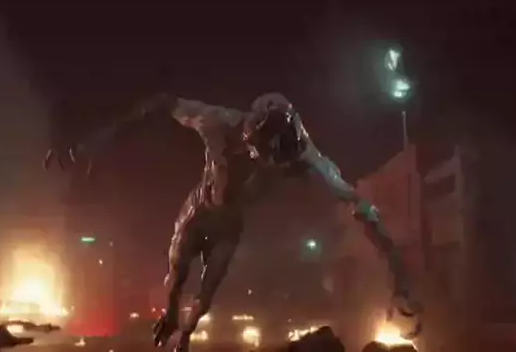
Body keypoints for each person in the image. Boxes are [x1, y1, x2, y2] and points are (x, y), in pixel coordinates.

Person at [44, 92, 421, 352]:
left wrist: (399, 273)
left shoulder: (303, 155)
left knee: (205, 296)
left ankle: (183, 336)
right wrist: (89, 145)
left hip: (229, 223)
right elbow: (158, 105)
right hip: (200, 207)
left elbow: (360, 206)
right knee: (177, 275)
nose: (270, 164)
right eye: (265, 154)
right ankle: (174, 316)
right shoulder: (217, 122)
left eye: (279, 159)